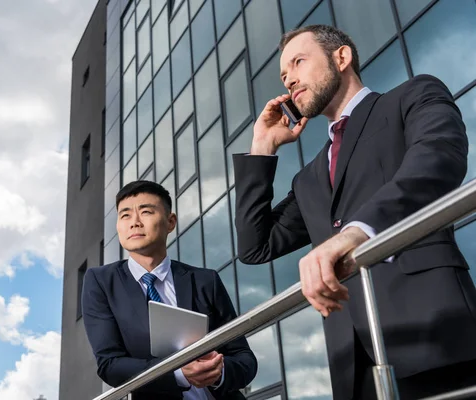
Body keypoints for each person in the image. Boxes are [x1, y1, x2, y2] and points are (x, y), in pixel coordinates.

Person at [233, 24, 476, 399]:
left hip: (434, 337)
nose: (290, 80)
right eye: (284, 75)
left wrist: (358, 231)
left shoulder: (411, 96)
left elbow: (437, 158)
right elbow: (255, 246)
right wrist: (262, 147)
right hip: (353, 366)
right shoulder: (310, 177)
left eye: (298, 62)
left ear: (341, 58)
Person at [82, 180, 257, 400]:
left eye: (145, 212)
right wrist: (178, 374)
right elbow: (110, 364)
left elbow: (244, 358)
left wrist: (218, 372)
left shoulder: (205, 280)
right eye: (125, 215)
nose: (134, 222)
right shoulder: (101, 282)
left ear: (170, 222)